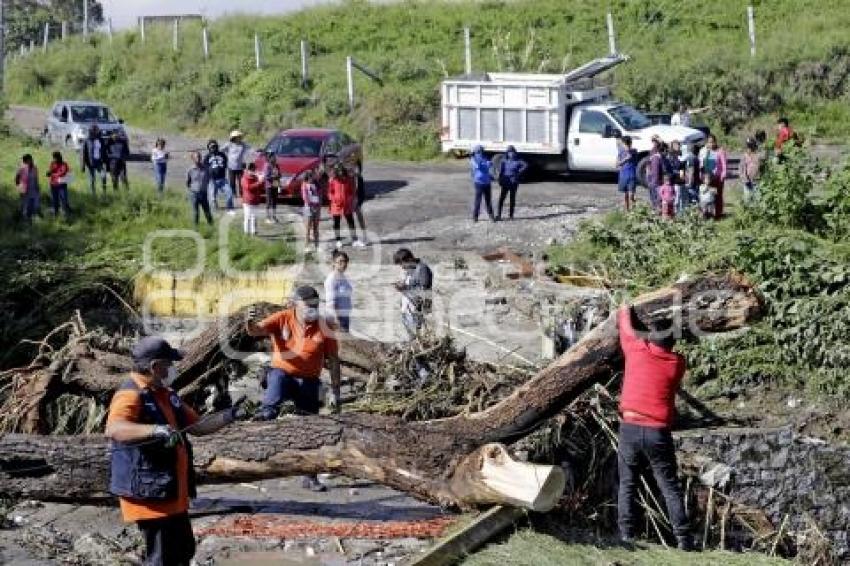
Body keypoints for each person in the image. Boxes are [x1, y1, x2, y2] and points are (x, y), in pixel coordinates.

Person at [107, 336, 243, 566]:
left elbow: (198, 426)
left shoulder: (165, 393)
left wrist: (231, 415)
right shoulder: (130, 394)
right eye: (169, 364)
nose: (172, 369)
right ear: (154, 366)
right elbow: (115, 428)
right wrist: (154, 430)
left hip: (172, 493)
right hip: (151, 498)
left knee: (184, 551)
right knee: (162, 558)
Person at [245, 285, 341, 491]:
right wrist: (248, 322)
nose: (312, 309)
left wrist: (336, 391)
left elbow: (333, 360)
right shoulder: (282, 318)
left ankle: (309, 477)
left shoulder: (325, 327)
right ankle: (263, 419)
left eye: (315, 305)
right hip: (283, 374)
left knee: (311, 428)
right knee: (275, 389)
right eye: (308, 305)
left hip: (309, 381)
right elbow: (255, 331)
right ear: (294, 305)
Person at [616, 306, 693, 551]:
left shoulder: (636, 350)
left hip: (629, 426)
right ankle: (684, 540)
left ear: (650, 337)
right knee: (669, 486)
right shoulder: (677, 363)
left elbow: (625, 327)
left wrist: (624, 308)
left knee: (627, 483)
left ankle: (626, 535)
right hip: (657, 432)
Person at [393, 248, 433, 339]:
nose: (402, 267)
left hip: (416, 309)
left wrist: (405, 287)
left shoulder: (422, 269)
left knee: (417, 337)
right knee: (412, 336)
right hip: (408, 308)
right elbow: (412, 285)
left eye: (402, 264)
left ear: (409, 259)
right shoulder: (411, 269)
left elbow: (425, 290)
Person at [328, 164, 361, 248]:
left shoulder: (348, 180)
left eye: (343, 174)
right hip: (336, 205)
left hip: (347, 205)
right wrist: (334, 199)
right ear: (337, 174)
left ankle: (355, 240)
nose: (342, 176)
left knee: (351, 222)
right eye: (340, 174)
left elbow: (351, 191)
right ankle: (338, 240)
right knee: (336, 222)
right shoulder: (333, 180)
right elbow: (330, 192)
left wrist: (350, 198)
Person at [698, 134, 727, 219]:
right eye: (709, 142)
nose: (711, 144)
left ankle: (718, 214)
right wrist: (701, 175)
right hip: (707, 178)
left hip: (717, 177)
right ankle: (707, 214)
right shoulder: (704, 151)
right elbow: (701, 164)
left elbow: (724, 165)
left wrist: (723, 175)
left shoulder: (720, 151)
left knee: (717, 195)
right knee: (707, 196)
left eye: (712, 142)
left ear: (715, 142)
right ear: (707, 143)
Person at [496, 145, 528, 221]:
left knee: (512, 199)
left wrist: (519, 172)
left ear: (515, 153)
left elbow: (526, 165)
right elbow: (501, 171)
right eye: (510, 152)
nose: (511, 154)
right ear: (507, 153)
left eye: (513, 152)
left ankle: (511, 215)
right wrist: (500, 180)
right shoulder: (504, 161)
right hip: (505, 182)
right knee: (501, 199)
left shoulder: (518, 160)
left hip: (514, 182)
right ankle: (499, 215)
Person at [203, 140, 235, 214]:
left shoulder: (222, 155)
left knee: (229, 193)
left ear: (217, 146)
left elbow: (226, 164)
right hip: (212, 180)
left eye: (214, 146)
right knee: (212, 197)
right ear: (209, 148)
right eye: (211, 147)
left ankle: (230, 208)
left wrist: (221, 167)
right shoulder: (207, 157)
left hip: (222, 179)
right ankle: (214, 209)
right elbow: (205, 167)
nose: (213, 148)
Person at [324, 250, 353, 333]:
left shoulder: (343, 277)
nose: (343, 264)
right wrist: (336, 320)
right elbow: (331, 302)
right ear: (334, 263)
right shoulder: (331, 279)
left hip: (345, 316)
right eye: (340, 262)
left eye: (345, 261)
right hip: (336, 318)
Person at [186, 151, 213, 227]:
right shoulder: (190, 170)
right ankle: (196, 228)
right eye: (197, 157)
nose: (198, 158)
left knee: (207, 211)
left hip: (203, 193)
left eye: (199, 157)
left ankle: (211, 226)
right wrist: (191, 190)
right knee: (196, 213)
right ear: (193, 159)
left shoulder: (206, 169)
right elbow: (188, 182)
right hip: (194, 194)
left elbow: (209, 179)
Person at [470, 145, 495, 222]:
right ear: (475, 151)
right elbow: (477, 166)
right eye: (479, 151)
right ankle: (475, 217)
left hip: (487, 183)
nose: (480, 152)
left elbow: (490, 164)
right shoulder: (473, 159)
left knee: (488, 200)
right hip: (479, 183)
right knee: (478, 201)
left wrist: (488, 164)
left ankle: (491, 216)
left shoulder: (485, 158)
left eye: (481, 151)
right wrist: (485, 164)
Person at [80, 125, 107, 195]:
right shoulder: (87, 140)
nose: (97, 131)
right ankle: (93, 194)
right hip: (90, 162)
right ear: (91, 131)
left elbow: (104, 151)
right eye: (95, 130)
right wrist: (82, 166)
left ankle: (104, 192)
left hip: (99, 162)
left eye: (97, 130)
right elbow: (83, 153)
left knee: (103, 176)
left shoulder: (101, 140)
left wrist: (106, 161)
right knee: (92, 179)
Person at [222, 130, 249, 198]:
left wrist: (257, 151)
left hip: (240, 166)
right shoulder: (229, 144)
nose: (239, 138)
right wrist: (226, 156)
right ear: (234, 137)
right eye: (237, 137)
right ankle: (233, 193)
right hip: (231, 166)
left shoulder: (243, 144)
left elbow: (250, 149)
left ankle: (241, 193)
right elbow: (221, 149)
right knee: (232, 182)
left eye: (239, 137)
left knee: (241, 181)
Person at [15, 154, 41, 224]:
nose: (30, 161)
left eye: (30, 160)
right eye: (26, 161)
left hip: (33, 189)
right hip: (24, 189)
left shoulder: (35, 168)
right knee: (25, 205)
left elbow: (36, 178)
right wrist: (19, 188)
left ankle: (31, 219)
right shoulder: (21, 168)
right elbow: (17, 178)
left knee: (34, 205)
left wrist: (37, 187)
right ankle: (24, 220)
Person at [240, 162, 264, 236]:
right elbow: (248, 187)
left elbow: (260, 187)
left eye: (253, 169)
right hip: (247, 201)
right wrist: (259, 183)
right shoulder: (244, 178)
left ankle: (254, 232)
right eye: (251, 169)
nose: (253, 171)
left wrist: (262, 181)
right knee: (247, 217)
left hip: (255, 200)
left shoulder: (256, 177)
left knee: (254, 217)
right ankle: (246, 232)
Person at [46, 151, 72, 218]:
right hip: (53, 185)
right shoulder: (52, 163)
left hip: (62, 185)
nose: (54, 159)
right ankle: (56, 214)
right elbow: (50, 171)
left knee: (64, 200)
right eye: (54, 158)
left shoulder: (64, 164)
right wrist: (49, 173)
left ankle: (65, 215)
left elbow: (63, 173)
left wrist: (53, 174)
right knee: (55, 200)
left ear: (59, 157)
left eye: (55, 158)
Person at [301, 170, 322, 249]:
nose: (313, 177)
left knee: (316, 228)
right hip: (308, 208)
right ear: (308, 176)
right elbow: (305, 197)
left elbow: (320, 196)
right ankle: (307, 246)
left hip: (317, 208)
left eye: (313, 176)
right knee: (308, 229)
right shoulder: (304, 185)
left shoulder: (317, 184)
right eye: (311, 176)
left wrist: (319, 207)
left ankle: (317, 246)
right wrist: (311, 205)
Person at [617, 136, 638, 211]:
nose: (626, 146)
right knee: (625, 194)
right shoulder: (621, 151)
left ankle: (634, 211)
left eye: (627, 144)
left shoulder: (634, 151)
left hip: (632, 175)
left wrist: (628, 155)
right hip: (623, 175)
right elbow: (617, 163)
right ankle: (626, 210)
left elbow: (634, 160)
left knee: (631, 195)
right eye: (625, 144)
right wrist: (624, 160)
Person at [665, 141, 686, 214]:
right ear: (673, 146)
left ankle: (678, 212)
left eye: (679, 145)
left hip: (679, 178)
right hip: (673, 178)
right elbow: (671, 166)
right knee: (674, 196)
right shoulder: (670, 155)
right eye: (676, 145)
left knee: (679, 196)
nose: (678, 146)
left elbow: (682, 167)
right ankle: (674, 212)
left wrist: (682, 173)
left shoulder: (681, 154)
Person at [260, 150, 280, 224]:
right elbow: (266, 176)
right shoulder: (267, 165)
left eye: (275, 156)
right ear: (269, 157)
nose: (275, 158)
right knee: (269, 201)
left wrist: (278, 177)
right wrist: (274, 176)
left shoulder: (276, 165)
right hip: (269, 186)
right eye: (273, 156)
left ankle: (274, 216)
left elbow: (279, 174)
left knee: (275, 201)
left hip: (275, 185)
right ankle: (267, 217)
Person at [742, 137, 763, 202]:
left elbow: (762, 167)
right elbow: (742, 169)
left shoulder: (759, 156)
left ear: (755, 146)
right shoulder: (744, 156)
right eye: (748, 146)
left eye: (751, 146)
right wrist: (745, 179)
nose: (749, 149)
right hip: (747, 182)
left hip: (757, 181)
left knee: (757, 199)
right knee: (747, 199)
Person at [646, 137, 665, 210]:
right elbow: (648, 165)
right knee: (654, 199)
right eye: (653, 142)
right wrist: (648, 177)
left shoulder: (660, 154)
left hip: (658, 181)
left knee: (658, 199)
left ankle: (658, 212)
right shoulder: (652, 152)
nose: (654, 143)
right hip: (652, 180)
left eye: (655, 142)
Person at [352, 172, 369, 243]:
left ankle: (365, 236)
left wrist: (359, 202)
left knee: (360, 218)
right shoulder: (345, 177)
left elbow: (362, 192)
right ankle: (354, 238)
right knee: (350, 220)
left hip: (357, 201)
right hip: (348, 201)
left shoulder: (359, 178)